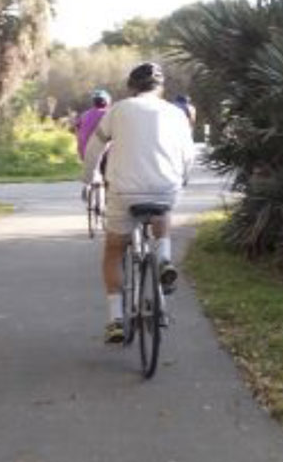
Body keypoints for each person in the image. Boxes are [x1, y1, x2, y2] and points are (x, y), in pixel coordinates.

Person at [81, 62, 195, 344]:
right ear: (161, 88)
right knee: (162, 212)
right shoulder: (175, 113)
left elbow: (96, 146)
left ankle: (116, 319)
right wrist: (182, 180)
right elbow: (188, 154)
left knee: (114, 250)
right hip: (164, 188)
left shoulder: (118, 110)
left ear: (131, 87)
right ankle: (164, 259)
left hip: (123, 190)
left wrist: (89, 178)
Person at [73, 90, 110, 160]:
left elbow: (76, 127)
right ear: (106, 102)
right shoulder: (107, 114)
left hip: (84, 153)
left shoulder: (85, 114)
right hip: (101, 155)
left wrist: (79, 144)